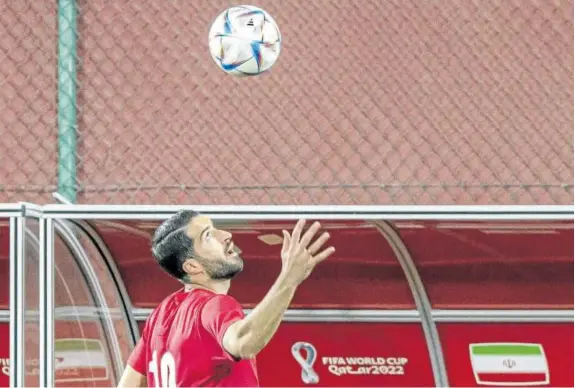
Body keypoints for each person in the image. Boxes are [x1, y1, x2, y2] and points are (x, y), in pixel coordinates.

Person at [117, 210, 335, 387]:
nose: (225, 235)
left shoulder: (159, 316)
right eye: (208, 236)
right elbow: (243, 342)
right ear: (193, 266)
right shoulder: (213, 305)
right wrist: (289, 278)